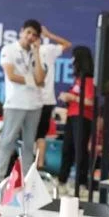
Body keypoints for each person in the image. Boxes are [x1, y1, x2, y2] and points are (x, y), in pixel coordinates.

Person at [0, 19, 46, 190]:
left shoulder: (37, 53)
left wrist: (36, 52)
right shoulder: (9, 49)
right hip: (15, 103)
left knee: (28, 143)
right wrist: (33, 80)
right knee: (8, 140)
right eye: (28, 32)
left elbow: (41, 78)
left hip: (34, 105)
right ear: (21, 32)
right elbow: (11, 76)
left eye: (34, 35)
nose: (30, 37)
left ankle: (27, 180)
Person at [57, 46, 95, 193]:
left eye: (73, 58)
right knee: (67, 149)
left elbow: (90, 101)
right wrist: (67, 98)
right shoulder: (77, 80)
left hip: (83, 118)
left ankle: (81, 183)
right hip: (72, 116)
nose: (72, 61)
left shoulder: (89, 80)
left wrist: (71, 97)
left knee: (80, 151)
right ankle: (62, 181)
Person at [36, 26, 72, 169]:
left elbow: (67, 44)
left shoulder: (47, 49)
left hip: (45, 100)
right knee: (30, 135)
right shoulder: (22, 52)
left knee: (40, 135)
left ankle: (39, 165)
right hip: (29, 100)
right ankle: (28, 165)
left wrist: (50, 35)